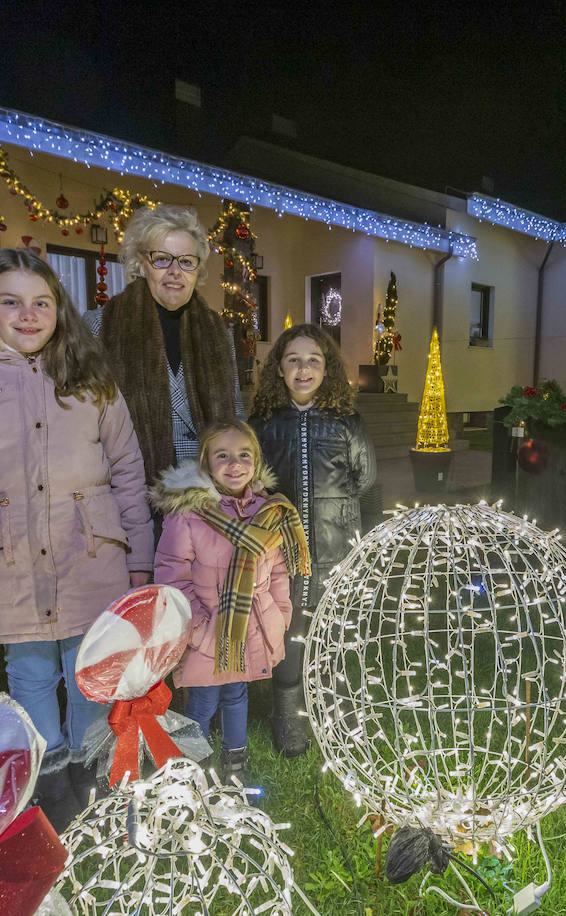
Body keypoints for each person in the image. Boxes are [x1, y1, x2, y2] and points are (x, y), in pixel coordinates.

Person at [0, 248, 154, 829]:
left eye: (41, 301)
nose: (28, 313)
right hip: (10, 564)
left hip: (88, 559)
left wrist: (139, 560)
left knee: (89, 669)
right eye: (10, 301)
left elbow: (127, 472)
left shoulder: (91, 383)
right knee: (32, 670)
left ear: (59, 310)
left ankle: (92, 761)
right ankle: (48, 770)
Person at [153, 420, 308, 779]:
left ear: (256, 461)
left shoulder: (268, 512)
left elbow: (280, 572)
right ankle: (191, 766)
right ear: (206, 461)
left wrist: (280, 615)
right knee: (204, 700)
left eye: (244, 455)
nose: (234, 463)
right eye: (223, 455)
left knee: (237, 694)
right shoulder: (189, 516)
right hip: (206, 630)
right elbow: (172, 577)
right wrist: (199, 629)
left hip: (250, 628)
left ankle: (235, 760)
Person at [249, 324, 376, 756]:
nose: (304, 369)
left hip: (337, 546)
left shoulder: (346, 423)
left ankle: (339, 714)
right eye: (293, 360)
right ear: (279, 370)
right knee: (288, 631)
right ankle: (288, 718)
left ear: (328, 369)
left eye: (313, 360)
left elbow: (365, 479)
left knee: (336, 632)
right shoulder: (264, 424)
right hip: (282, 552)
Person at [97, 204, 242, 490]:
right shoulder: (99, 326)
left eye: (187, 261)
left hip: (209, 496)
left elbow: (235, 419)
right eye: (162, 259)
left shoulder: (219, 333)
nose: (176, 272)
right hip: (134, 496)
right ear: (141, 263)